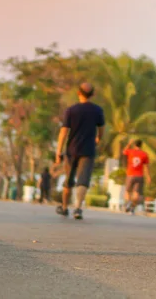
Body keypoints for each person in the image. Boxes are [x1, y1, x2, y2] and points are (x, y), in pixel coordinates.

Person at [55, 82, 104, 220]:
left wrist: (58, 151)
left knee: (68, 180)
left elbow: (63, 132)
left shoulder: (71, 110)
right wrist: (98, 139)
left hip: (72, 150)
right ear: (92, 94)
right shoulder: (97, 110)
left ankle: (64, 208)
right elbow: (101, 130)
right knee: (83, 180)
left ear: (78, 93)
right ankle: (77, 208)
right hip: (88, 150)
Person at [121, 139, 151, 215]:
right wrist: (148, 177)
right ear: (141, 145)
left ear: (134, 145)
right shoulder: (144, 154)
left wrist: (129, 143)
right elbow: (146, 167)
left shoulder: (131, 151)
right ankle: (132, 207)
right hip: (139, 175)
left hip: (130, 175)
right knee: (136, 194)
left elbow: (124, 151)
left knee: (127, 191)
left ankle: (128, 204)